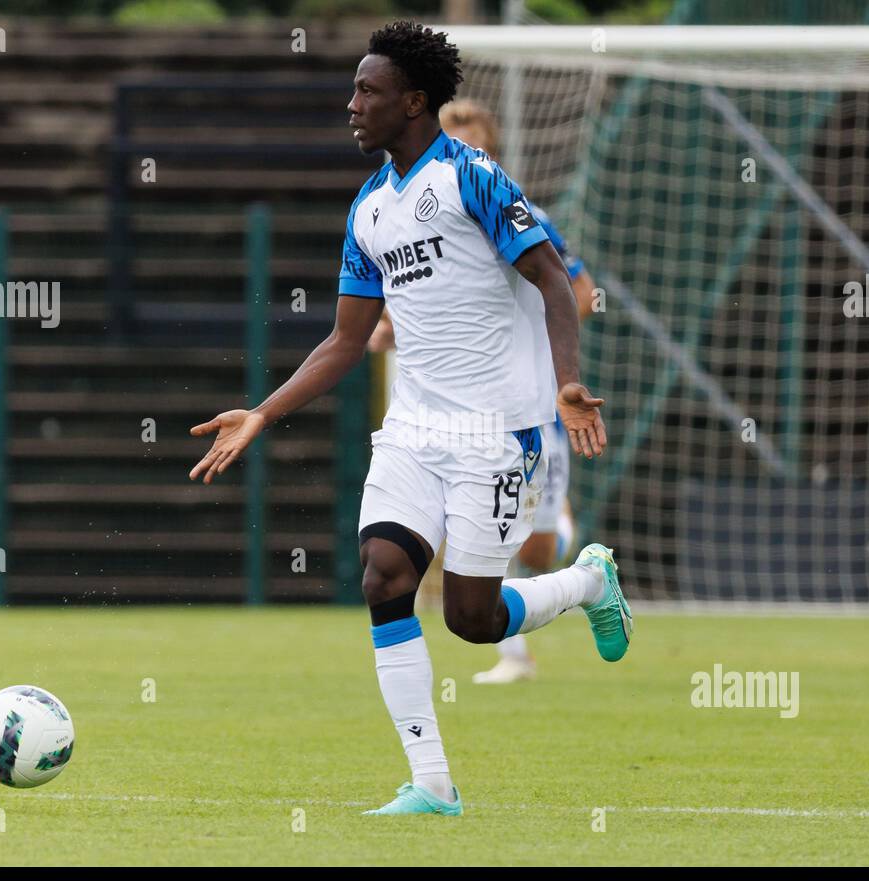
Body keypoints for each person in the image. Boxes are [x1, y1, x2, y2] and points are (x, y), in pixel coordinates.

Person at [189, 21, 632, 816]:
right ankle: (432, 784)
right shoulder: (368, 209)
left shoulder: (474, 178)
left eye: (368, 91)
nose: (352, 104)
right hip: (413, 431)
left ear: (414, 102)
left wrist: (568, 381)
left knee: (472, 617)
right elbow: (344, 340)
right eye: (354, 89)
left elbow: (555, 280)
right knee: (383, 577)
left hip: (496, 434)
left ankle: (589, 580)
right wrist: (262, 412)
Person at [367, 99, 598, 684]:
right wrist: (386, 332)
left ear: (488, 146)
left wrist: (537, 340)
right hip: (454, 424)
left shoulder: (523, 213)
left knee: (541, 551)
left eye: (470, 134)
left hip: (534, 410)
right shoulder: (404, 216)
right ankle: (515, 658)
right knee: (436, 558)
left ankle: (577, 557)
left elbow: (582, 293)